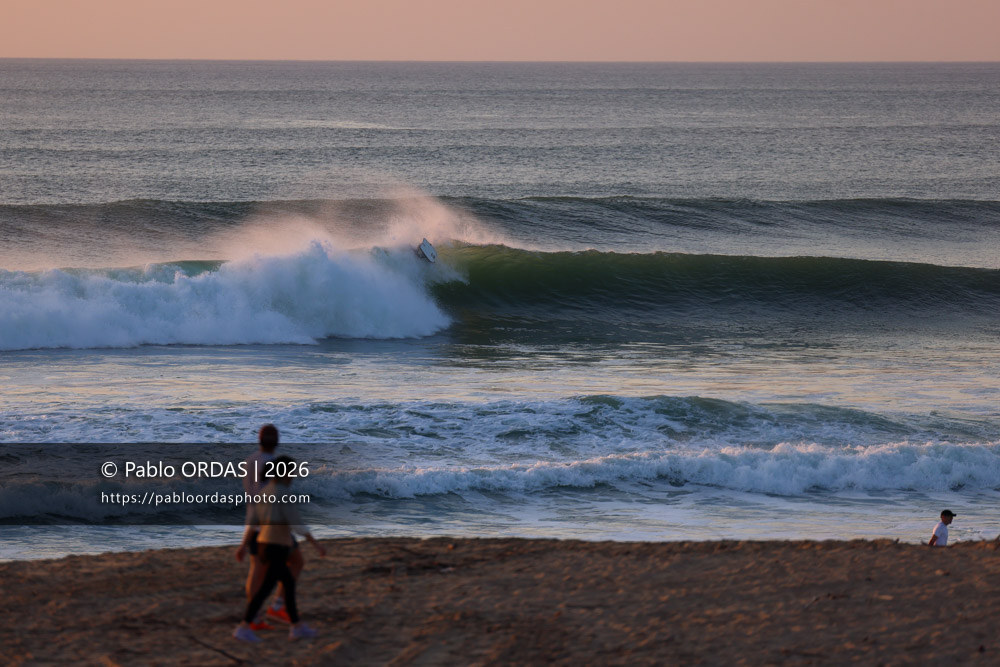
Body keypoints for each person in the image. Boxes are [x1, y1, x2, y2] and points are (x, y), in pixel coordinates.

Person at [234, 455, 326, 642]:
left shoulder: (265, 491)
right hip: (276, 548)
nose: (293, 476)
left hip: (263, 546)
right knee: (268, 588)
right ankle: (244, 627)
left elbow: (253, 523)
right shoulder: (282, 493)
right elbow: (296, 523)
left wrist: (244, 545)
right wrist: (315, 544)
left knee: (287, 586)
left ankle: (296, 626)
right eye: (291, 472)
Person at [236, 425, 304, 629]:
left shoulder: (249, 462)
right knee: (297, 561)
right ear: (276, 441)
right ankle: (277, 605)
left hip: (253, 521)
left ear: (259, 440)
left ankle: (255, 616)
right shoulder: (273, 464)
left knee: (256, 568)